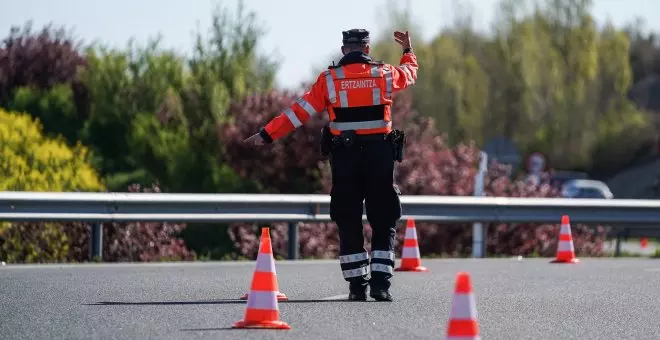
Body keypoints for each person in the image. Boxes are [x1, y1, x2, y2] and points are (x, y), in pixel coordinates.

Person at [244, 28, 418, 302]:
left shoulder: (330, 79)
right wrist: (408, 50)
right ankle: (381, 284)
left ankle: (356, 285)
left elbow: (298, 113)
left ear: (343, 50)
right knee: (383, 218)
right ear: (368, 49)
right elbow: (410, 74)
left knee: (348, 219)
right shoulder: (384, 74)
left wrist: (266, 135)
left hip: (345, 158)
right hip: (379, 157)